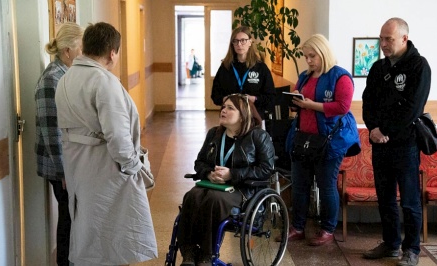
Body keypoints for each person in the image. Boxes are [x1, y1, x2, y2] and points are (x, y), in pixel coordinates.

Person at [55, 22, 158, 265]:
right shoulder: (104, 82)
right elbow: (119, 139)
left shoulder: (65, 79)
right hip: (106, 169)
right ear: (112, 52)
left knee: (86, 229)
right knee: (110, 236)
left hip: (77, 165)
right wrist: (134, 166)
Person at [277, 34, 360, 246]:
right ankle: (298, 227)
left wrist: (310, 105)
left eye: (312, 56)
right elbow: (300, 103)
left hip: (329, 141)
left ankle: (327, 229)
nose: (309, 60)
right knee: (300, 186)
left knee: (326, 186)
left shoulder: (340, 77)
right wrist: (295, 103)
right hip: (303, 140)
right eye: (306, 57)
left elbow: (342, 107)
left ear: (323, 52)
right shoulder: (305, 76)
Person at [362, 17, 431, 266]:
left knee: (410, 201)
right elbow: (367, 102)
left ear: (404, 38)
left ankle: (411, 249)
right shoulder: (378, 68)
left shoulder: (419, 66)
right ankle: (390, 244)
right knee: (385, 198)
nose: (383, 44)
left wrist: (386, 130)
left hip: (405, 146)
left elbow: (413, 108)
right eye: (381, 38)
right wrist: (373, 129)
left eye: (388, 39)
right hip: (380, 145)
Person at [177, 94, 275, 266]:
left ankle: (207, 255)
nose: (224, 110)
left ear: (243, 114)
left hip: (243, 191)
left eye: (230, 108)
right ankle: (189, 252)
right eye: (223, 106)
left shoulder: (258, 136)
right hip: (213, 185)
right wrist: (208, 174)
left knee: (214, 200)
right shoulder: (214, 134)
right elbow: (199, 162)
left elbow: (266, 169)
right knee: (191, 196)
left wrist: (233, 174)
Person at [34, 22, 83, 266]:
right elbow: (52, 131)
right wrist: (64, 171)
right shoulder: (51, 80)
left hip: (70, 162)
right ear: (67, 51)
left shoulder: (67, 75)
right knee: (68, 220)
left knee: (73, 217)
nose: (83, 53)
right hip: (59, 167)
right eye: (80, 48)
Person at [211, 26, 275, 123]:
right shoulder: (226, 67)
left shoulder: (260, 68)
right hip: (230, 120)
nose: (239, 44)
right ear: (232, 44)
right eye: (235, 41)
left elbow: (271, 98)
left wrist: (254, 99)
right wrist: (226, 99)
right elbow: (215, 95)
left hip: (253, 119)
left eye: (243, 40)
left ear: (250, 42)